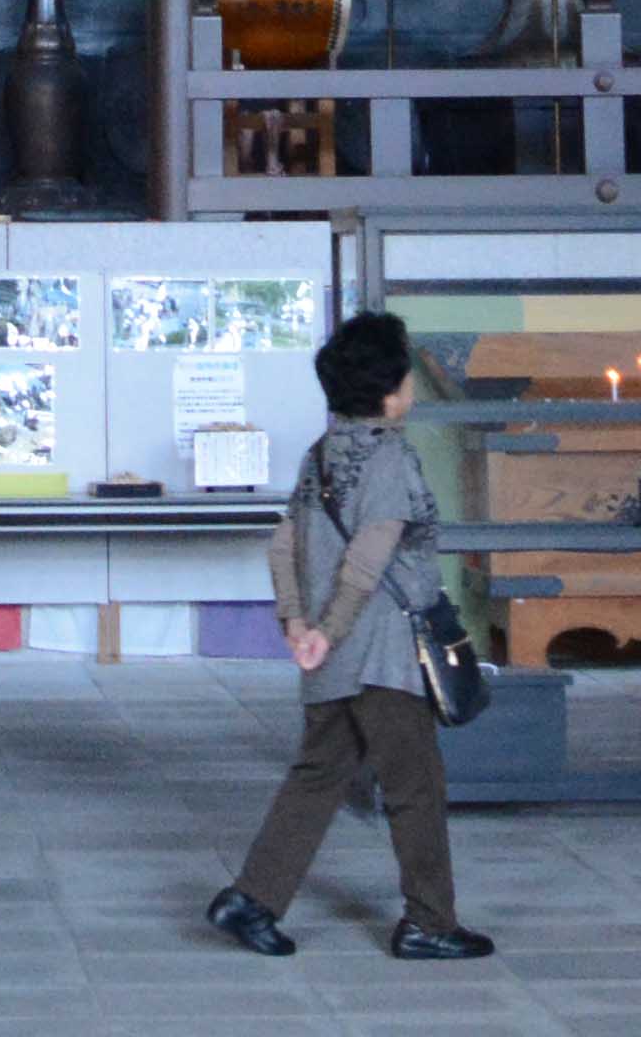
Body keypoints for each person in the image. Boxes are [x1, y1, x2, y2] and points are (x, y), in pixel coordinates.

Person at [209, 311, 485, 961]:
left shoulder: (322, 453)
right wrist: (326, 631)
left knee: (318, 773)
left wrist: (297, 625)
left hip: (333, 656)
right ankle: (429, 922)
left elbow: (285, 543)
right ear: (390, 388)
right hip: (382, 653)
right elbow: (368, 560)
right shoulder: (389, 457)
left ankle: (251, 900)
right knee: (416, 786)